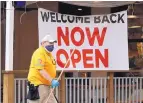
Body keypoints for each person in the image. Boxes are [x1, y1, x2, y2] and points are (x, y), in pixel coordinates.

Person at [27, 34, 59, 103]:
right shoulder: (39, 53)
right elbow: (40, 70)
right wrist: (52, 80)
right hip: (38, 85)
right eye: (50, 43)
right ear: (43, 43)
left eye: (53, 43)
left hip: (47, 85)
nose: (52, 45)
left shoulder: (49, 54)